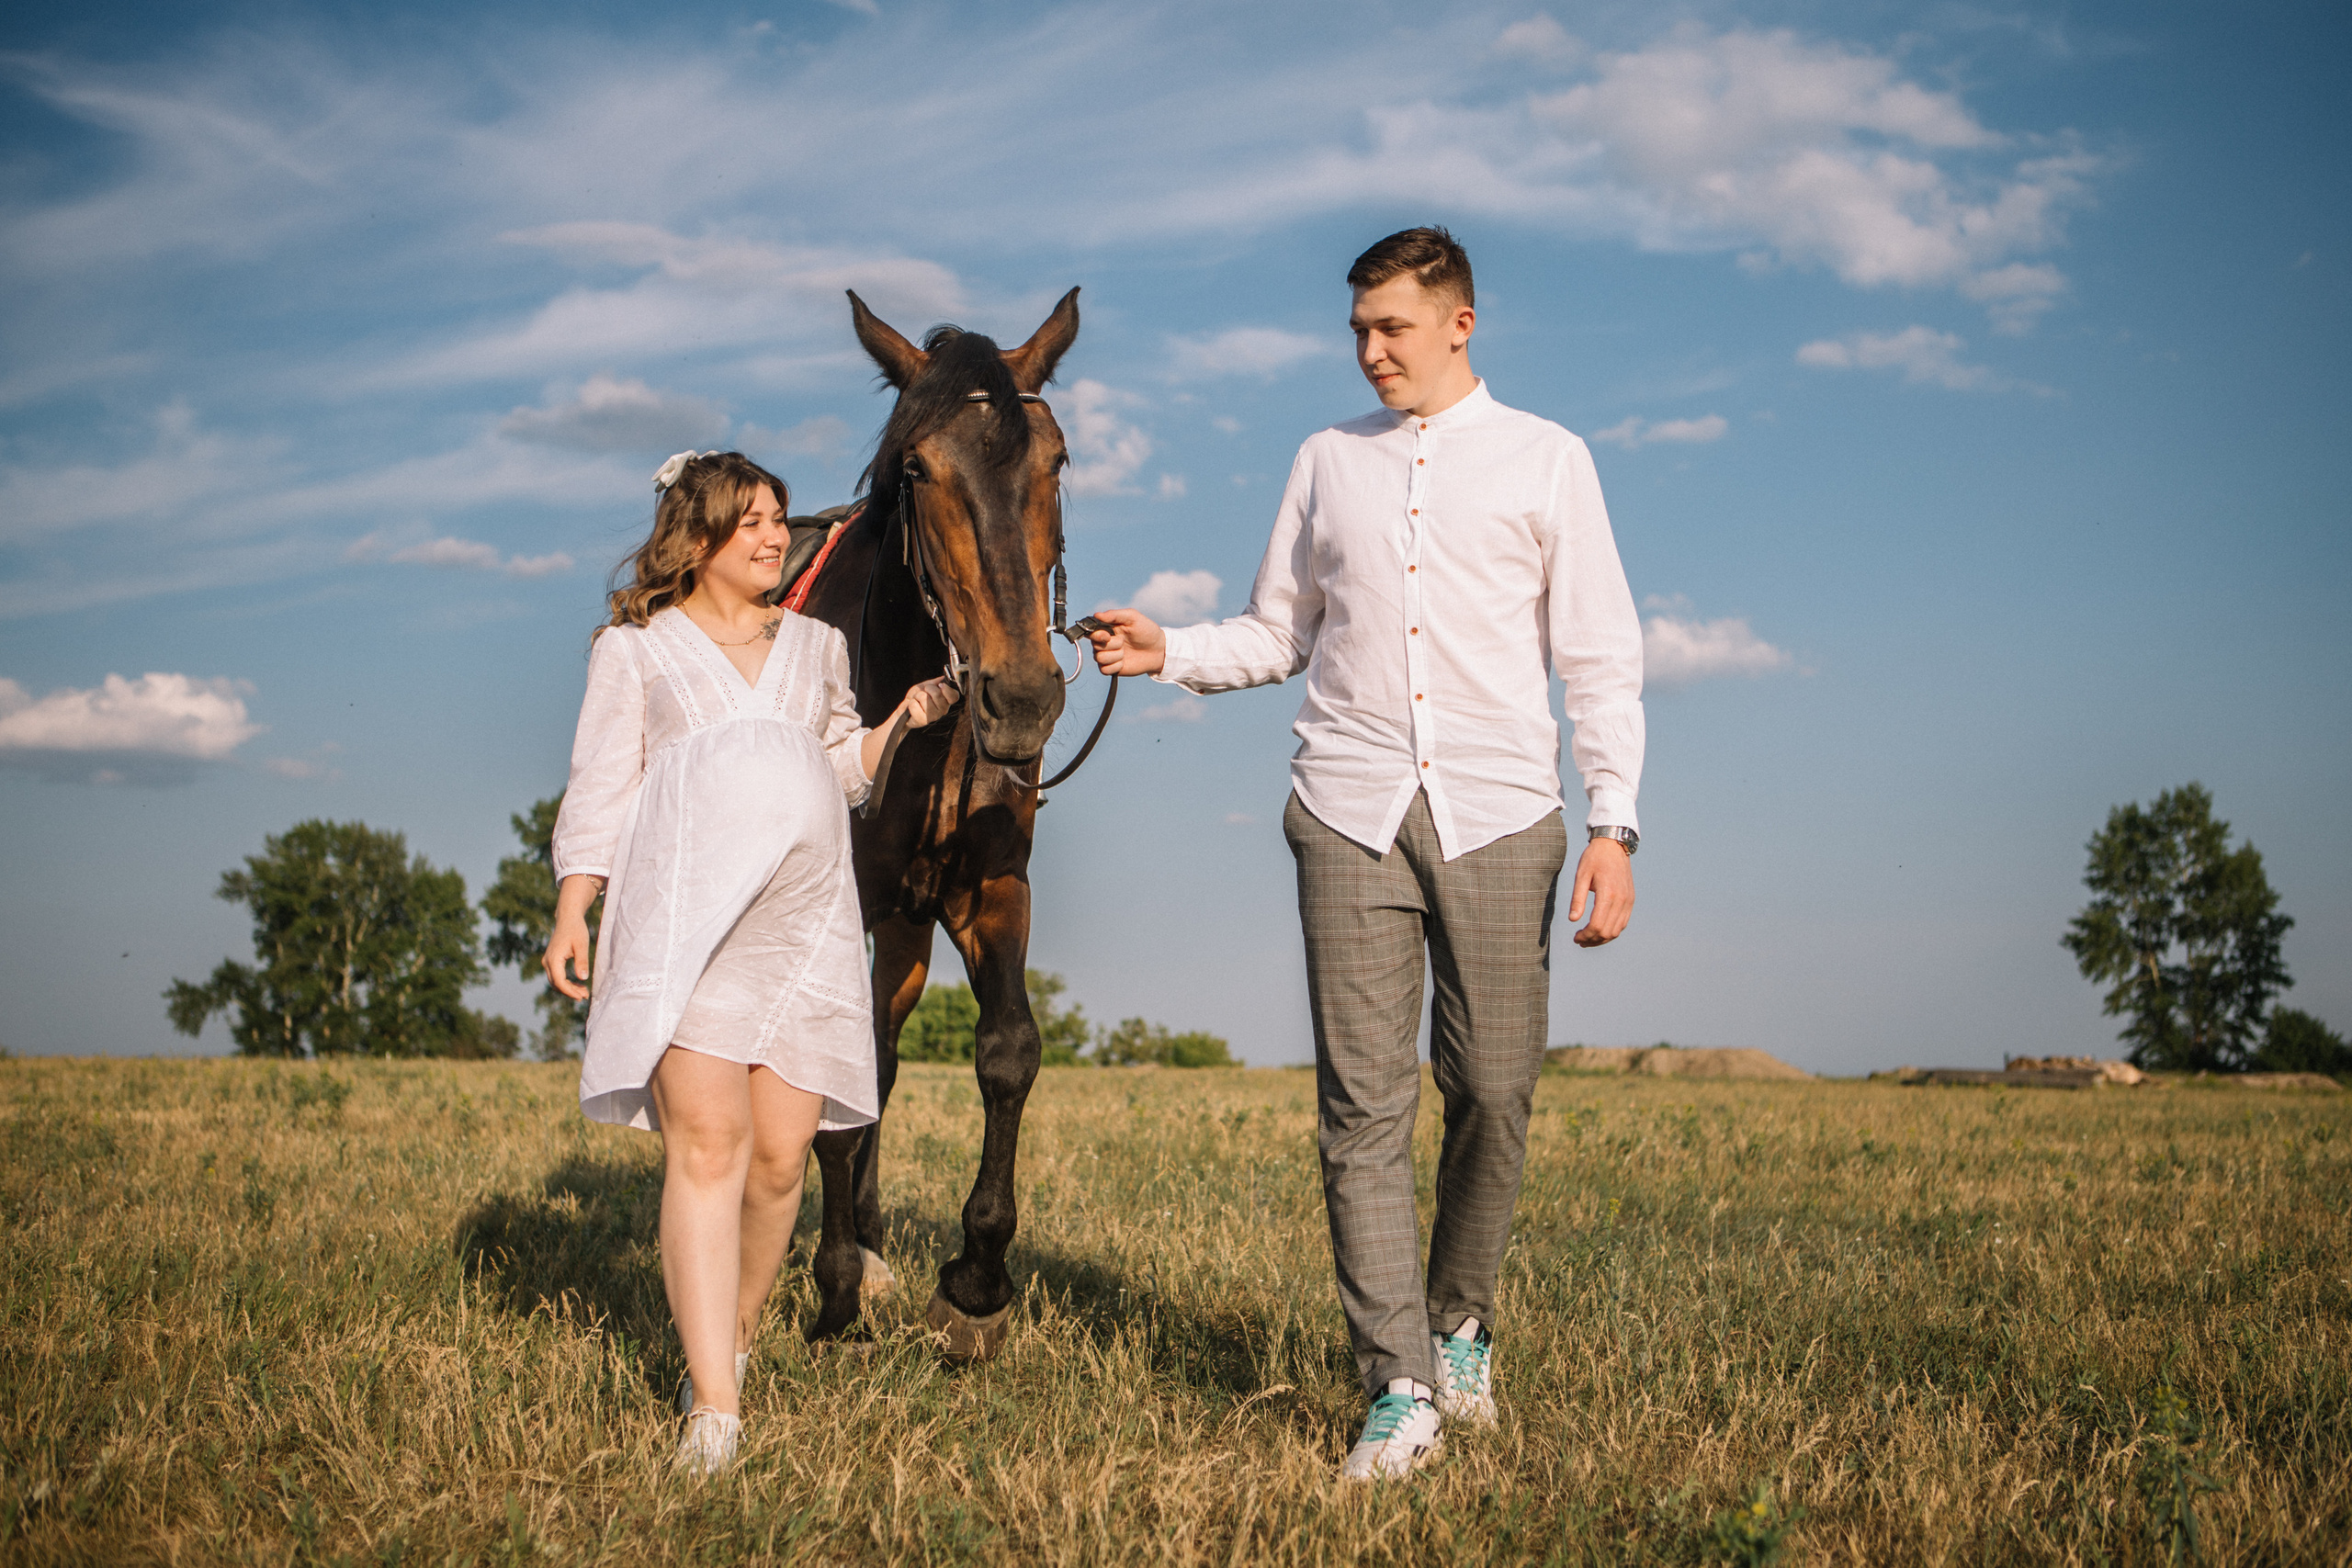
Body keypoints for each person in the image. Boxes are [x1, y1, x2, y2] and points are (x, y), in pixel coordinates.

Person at [1089, 228, 1644, 1482]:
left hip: (1504, 809)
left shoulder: (1550, 460)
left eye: (1391, 325)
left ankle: (1460, 1320)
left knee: (1494, 1087)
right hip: (1344, 807)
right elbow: (1278, 629)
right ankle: (1397, 1380)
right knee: (1361, 1105)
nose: (1370, 349)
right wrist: (1166, 647)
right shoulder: (1324, 459)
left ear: (1461, 322)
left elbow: (1600, 654)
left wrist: (1613, 818)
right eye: (1358, 330)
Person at [542, 449, 955, 1475]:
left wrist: (900, 720)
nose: (777, 536)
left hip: (803, 931)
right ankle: (715, 1411)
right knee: (710, 1148)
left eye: (778, 519)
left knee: (780, 1163)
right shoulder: (636, 651)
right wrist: (573, 909)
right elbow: (600, 784)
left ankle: (727, 1343)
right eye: (754, 522)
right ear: (698, 537)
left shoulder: (815, 647)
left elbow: (835, 772)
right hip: (684, 921)